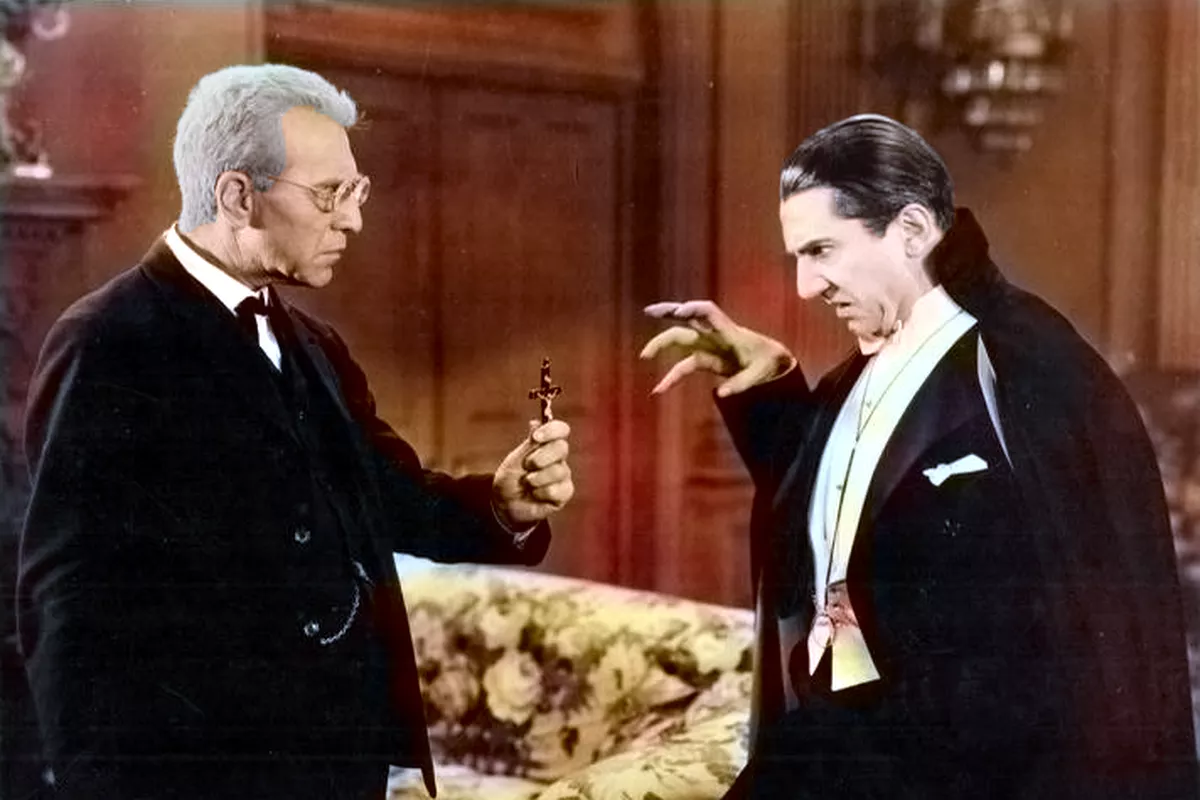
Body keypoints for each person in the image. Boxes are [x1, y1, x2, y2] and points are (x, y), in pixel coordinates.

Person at [17, 64, 575, 800]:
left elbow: (387, 495)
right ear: (237, 196)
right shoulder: (108, 341)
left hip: (340, 763)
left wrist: (502, 507)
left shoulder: (312, 343)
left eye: (356, 191)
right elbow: (69, 601)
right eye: (329, 194)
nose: (353, 221)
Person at [642, 114, 1197, 799]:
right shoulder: (859, 372)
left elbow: (1092, 640)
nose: (807, 286)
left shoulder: (1031, 366)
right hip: (831, 754)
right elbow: (853, 525)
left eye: (822, 250)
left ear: (910, 229)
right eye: (798, 257)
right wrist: (772, 393)